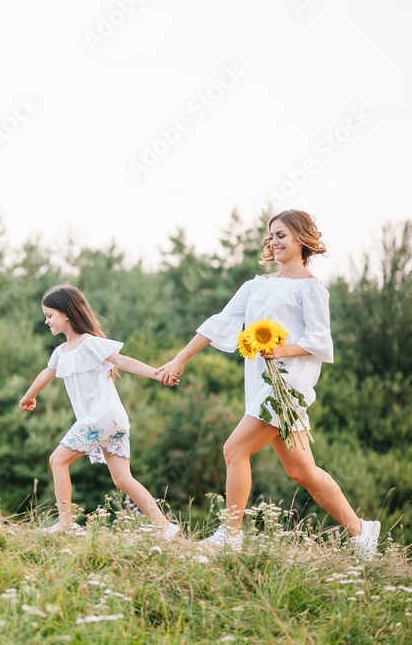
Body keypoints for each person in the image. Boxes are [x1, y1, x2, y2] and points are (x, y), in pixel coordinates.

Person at [155, 209, 381, 561]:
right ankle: (361, 531)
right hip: (260, 385)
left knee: (234, 450)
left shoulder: (312, 289)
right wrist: (180, 357)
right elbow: (221, 322)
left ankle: (230, 535)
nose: (273, 242)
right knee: (301, 470)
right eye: (271, 235)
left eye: (281, 236)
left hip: (287, 388)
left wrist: (283, 349)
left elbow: (320, 341)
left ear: (302, 239)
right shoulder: (256, 285)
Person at [19, 284, 179, 538]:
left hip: (99, 418)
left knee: (57, 460)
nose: (46, 321)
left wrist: (157, 373)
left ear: (66, 313)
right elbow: (46, 374)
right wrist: (29, 396)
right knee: (122, 480)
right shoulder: (61, 353)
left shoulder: (89, 343)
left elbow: (122, 361)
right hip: (113, 422)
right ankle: (165, 527)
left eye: (50, 315)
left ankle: (64, 524)